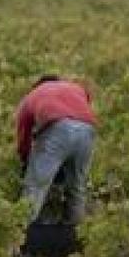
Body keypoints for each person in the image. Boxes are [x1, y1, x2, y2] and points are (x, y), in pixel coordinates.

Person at [16, 76, 97, 225]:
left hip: (57, 127)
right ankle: (76, 234)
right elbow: (84, 106)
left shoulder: (31, 97)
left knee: (36, 185)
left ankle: (21, 234)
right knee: (77, 186)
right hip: (88, 129)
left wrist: (25, 158)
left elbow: (24, 134)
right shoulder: (75, 88)